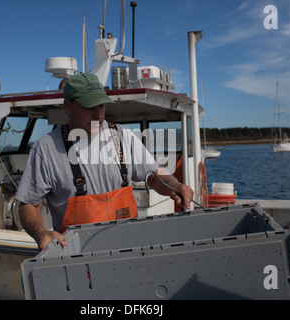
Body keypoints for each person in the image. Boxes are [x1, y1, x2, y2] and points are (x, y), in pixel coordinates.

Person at [15, 73, 194, 250]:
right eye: (89, 106)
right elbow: (28, 203)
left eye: (101, 105)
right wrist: (41, 233)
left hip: (127, 250)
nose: (98, 114)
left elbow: (154, 176)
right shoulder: (45, 149)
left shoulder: (124, 137)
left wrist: (174, 185)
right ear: (68, 107)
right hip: (75, 257)